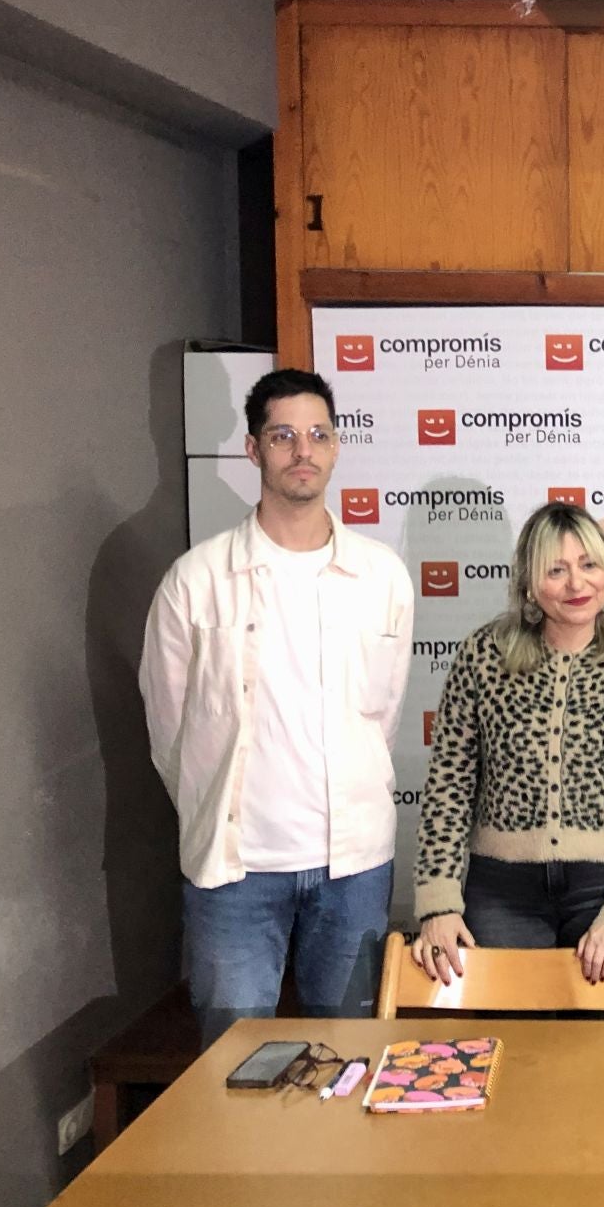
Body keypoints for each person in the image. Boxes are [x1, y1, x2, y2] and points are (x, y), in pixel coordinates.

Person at [140, 368, 413, 1047]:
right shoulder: (196, 581)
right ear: (253, 449)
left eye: (318, 434)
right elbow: (169, 731)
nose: (303, 450)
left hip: (353, 867)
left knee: (349, 1055)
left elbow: (382, 714)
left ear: (337, 446)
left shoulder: (381, 576)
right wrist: (215, 805)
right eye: (284, 435)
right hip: (235, 872)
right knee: (230, 1070)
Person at [411, 502, 604, 986]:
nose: (577, 585)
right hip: (500, 893)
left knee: (589, 1047)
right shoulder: (484, 654)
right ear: (529, 584)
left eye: (588, 565)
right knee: (516, 1039)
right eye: (556, 570)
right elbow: (449, 787)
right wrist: (438, 901)